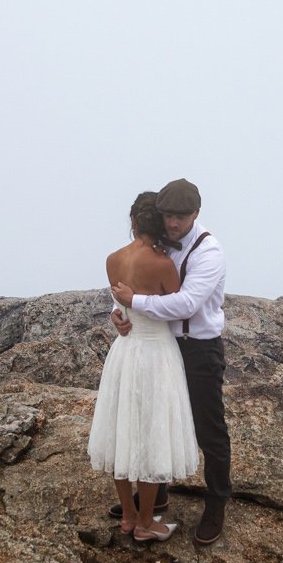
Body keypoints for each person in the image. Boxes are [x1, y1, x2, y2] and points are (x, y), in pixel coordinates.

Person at [109, 177, 230, 544]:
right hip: (161, 345)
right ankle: (155, 495)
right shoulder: (159, 244)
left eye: (180, 217)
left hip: (198, 348)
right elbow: (131, 285)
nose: (173, 224)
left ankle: (217, 502)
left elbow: (186, 304)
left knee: (209, 429)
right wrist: (117, 315)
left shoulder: (209, 252)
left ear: (196, 213)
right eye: (168, 216)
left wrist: (134, 303)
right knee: (155, 420)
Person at [87, 192, 202, 542]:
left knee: (121, 430)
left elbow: (122, 307)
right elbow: (180, 308)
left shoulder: (112, 259)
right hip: (156, 353)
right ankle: (146, 524)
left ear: (134, 221)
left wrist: (117, 316)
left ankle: (128, 516)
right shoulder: (163, 265)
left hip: (124, 350)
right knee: (152, 434)